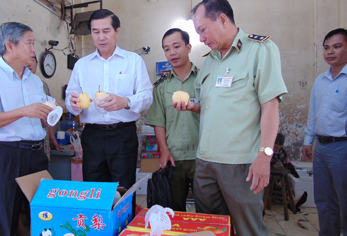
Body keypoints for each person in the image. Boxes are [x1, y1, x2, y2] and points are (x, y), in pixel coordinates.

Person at [174, 0, 288, 234]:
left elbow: (270, 106)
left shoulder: (260, 50)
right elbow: (208, 106)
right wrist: (192, 107)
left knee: (248, 229)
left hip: (240, 163)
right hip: (205, 162)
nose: (201, 39)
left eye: (202, 30)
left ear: (223, 20)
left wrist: (264, 156)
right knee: (211, 228)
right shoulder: (209, 61)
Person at [0, 22, 53, 236]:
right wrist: (24, 111)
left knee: (44, 217)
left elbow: (40, 118)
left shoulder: (34, 80)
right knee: (6, 216)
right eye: (29, 43)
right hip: (7, 155)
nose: (34, 49)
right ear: (10, 45)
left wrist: (49, 115)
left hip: (36, 155)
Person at [65, 9, 153, 192]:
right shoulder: (82, 65)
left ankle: (123, 221)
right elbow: (70, 98)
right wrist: (72, 104)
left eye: (106, 31)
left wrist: (125, 101)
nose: (101, 37)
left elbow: (147, 97)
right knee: (93, 191)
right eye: (95, 32)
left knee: (123, 191)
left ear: (117, 31)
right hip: (92, 136)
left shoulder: (133, 61)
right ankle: (95, 222)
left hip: (123, 136)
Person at [302, 28, 347, 236]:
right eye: (326, 48)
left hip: (344, 148)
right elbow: (314, 113)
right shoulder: (321, 80)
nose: (330, 52)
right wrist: (308, 140)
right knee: (324, 201)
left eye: (337, 46)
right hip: (322, 149)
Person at [145, 28, 199, 211]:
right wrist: (164, 150)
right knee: (174, 210)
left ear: (189, 47)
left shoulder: (204, 81)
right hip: (174, 158)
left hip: (203, 156)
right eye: (167, 49)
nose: (172, 53)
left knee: (207, 210)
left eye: (176, 46)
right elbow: (159, 121)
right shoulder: (162, 87)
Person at [27, 54, 63, 158]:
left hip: (43, 139)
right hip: (26, 141)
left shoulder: (43, 85)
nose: (29, 64)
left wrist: (53, 140)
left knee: (43, 169)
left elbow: (50, 115)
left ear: (36, 63)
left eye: (32, 60)